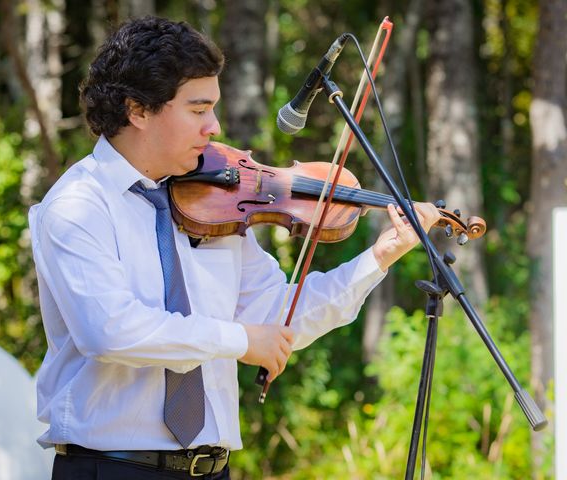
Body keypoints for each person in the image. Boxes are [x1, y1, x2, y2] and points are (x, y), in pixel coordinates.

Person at [29, 15, 440, 479]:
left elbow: (276, 319)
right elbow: (109, 330)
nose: (215, 126)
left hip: (212, 469)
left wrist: (377, 258)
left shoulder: (215, 205)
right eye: (198, 109)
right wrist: (241, 340)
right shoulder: (78, 204)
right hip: (111, 468)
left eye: (214, 108)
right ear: (137, 110)